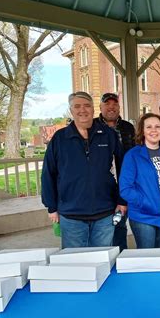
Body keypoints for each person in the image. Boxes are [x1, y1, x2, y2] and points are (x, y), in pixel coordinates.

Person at [42, 91, 124, 248]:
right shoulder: (60, 138)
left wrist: (122, 199)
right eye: (77, 106)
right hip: (71, 214)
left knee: (102, 260)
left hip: (105, 211)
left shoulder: (108, 135)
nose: (82, 110)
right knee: (75, 263)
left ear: (94, 109)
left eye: (87, 106)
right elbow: (48, 173)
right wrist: (51, 206)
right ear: (71, 110)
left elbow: (123, 168)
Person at [119, 113, 160, 248]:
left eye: (157, 127)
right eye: (149, 127)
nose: (154, 130)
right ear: (142, 131)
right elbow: (125, 188)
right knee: (147, 257)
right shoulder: (133, 155)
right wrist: (145, 202)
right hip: (143, 215)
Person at [98, 92, 135, 251]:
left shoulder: (128, 127)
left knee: (120, 225)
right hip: (102, 187)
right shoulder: (93, 126)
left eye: (115, 104)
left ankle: (120, 257)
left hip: (124, 183)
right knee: (103, 229)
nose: (111, 107)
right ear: (100, 107)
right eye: (107, 104)